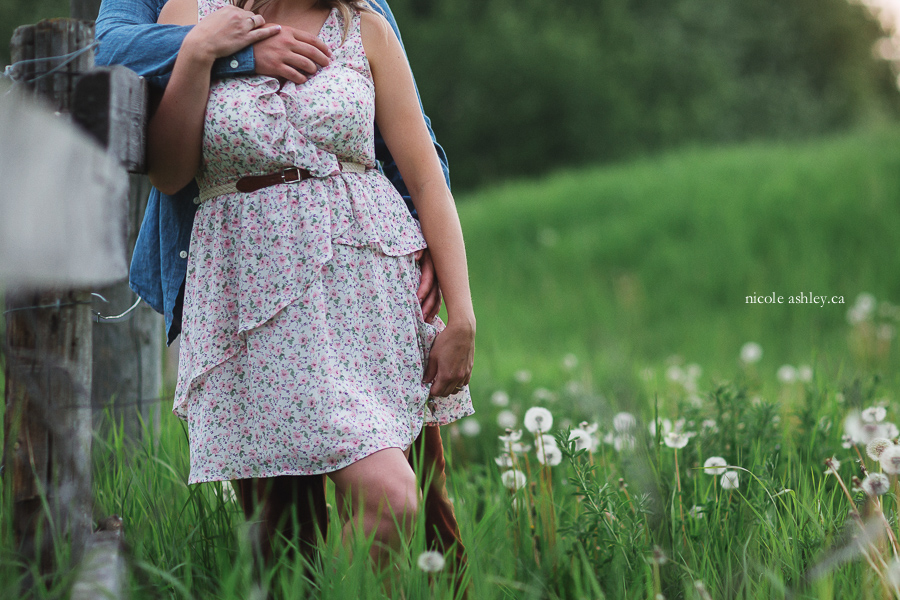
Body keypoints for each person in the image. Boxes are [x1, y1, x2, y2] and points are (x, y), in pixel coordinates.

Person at [97, 0, 475, 580]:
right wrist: (202, 51)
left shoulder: (364, 26)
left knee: (394, 501)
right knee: (289, 530)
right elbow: (169, 173)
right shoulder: (193, 15)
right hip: (253, 297)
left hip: (366, 296)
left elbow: (426, 177)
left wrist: (463, 316)